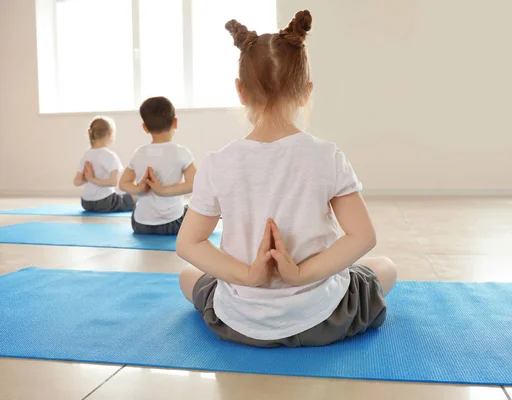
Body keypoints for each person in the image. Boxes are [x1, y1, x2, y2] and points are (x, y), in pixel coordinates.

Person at [176, 10, 397, 348]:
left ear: (240, 90)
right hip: (323, 317)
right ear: (306, 91)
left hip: (240, 321)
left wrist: (251, 276)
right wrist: (301, 275)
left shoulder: (217, 163)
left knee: (187, 277)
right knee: (385, 268)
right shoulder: (326, 155)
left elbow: (188, 244)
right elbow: (363, 236)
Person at [119, 96, 196, 235]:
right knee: (197, 210)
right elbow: (195, 184)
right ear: (175, 122)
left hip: (140, 225)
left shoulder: (140, 153)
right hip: (172, 224)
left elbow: (123, 184)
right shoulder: (181, 152)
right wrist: (163, 191)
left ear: (145, 128)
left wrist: (140, 188)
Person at [74, 117, 134, 212]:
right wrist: (92, 179)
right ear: (110, 134)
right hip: (105, 202)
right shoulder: (109, 155)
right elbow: (113, 182)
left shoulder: (87, 154)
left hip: (86, 203)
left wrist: (87, 178)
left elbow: (76, 182)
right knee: (135, 196)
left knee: (121, 195)